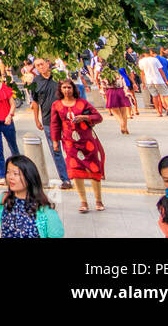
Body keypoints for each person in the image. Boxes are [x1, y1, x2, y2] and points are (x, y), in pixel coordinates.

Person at [51, 78, 106, 213]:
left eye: (69, 87)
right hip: (70, 143)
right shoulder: (56, 105)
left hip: (88, 142)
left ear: (73, 89)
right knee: (75, 172)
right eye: (64, 87)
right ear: (60, 90)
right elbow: (55, 124)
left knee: (93, 169)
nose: (67, 90)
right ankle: (83, 202)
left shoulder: (83, 103)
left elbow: (98, 117)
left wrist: (85, 117)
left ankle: (98, 200)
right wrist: (55, 141)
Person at [28, 57, 73, 189]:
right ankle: (65, 179)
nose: (40, 67)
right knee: (56, 150)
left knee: (70, 147)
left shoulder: (59, 76)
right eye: (37, 65)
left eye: (42, 64)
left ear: (48, 63)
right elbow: (35, 102)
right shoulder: (35, 82)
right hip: (48, 120)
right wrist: (36, 119)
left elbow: (70, 93)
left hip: (65, 118)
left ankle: (75, 172)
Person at [0, 155, 63, 238]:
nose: (10, 177)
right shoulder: (4, 199)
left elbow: (56, 235)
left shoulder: (45, 211)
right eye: (8, 172)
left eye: (15, 173)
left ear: (29, 177)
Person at [138, 47, 168, 117]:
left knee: (154, 96)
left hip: (149, 81)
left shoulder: (141, 61)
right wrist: (165, 80)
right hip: (159, 80)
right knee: (165, 95)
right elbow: (161, 71)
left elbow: (142, 73)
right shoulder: (155, 60)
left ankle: (158, 111)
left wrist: (143, 82)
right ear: (150, 53)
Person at [101, 68, 133, 134]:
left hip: (111, 92)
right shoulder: (118, 74)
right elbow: (124, 84)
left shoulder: (104, 74)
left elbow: (103, 85)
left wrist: (104, 92)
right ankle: (125, 127)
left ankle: (122, 124)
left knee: (115, 111)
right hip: (121, 91)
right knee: (123, 111)